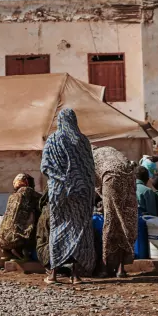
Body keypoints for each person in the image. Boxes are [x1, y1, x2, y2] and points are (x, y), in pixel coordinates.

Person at [40, 107, 98, 284]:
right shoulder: (82, 141)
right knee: (78, 231)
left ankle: (54, 274)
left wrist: (61, 180)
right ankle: (75, 275)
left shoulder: (53, 140)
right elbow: (90, 169)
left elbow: (45, 167)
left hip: (59, 192)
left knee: (58, 228)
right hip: (81, 193)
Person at [94, 146, 140, 277]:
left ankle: (104, 267)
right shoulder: (111, 151)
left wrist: (102, 203)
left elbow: (97, 187)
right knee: (125, 222)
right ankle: (121, 268)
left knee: (111, 222)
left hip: (111, 179)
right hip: (130, 177)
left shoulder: (92, 158)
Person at [0, 173, 45, 266]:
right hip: (17, 238)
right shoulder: (28, 191)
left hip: (2, 238)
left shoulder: (12, 196)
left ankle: (8, 251)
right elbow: (43, 202)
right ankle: (23, 252)